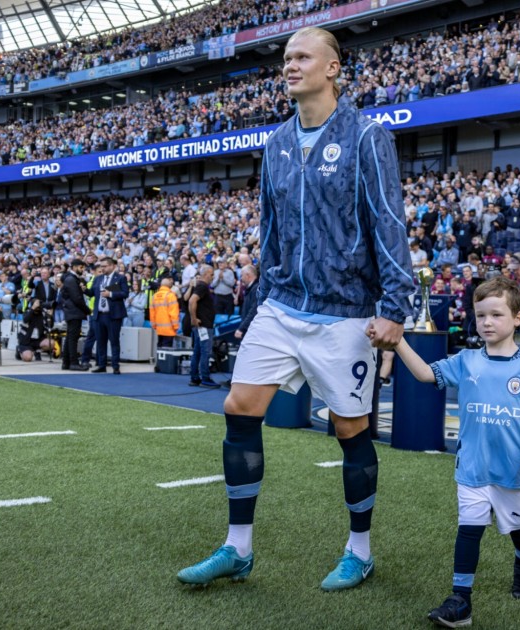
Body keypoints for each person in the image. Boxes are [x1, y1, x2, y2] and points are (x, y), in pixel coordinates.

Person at [177, 27, 415, 591]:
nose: (289, 66)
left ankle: (360, 551)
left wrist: (396, 305)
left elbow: (389, 222)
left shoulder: (366, 137)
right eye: (286, 58)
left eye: (302, 57)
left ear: (332, 68)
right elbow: (270, 230)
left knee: (349, 428)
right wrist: (262, 294)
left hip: (346, 311)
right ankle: (238, 547)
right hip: (281, 304)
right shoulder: (276, 142)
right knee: (239, 407)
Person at [393, 276, 520, 627]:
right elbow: (423, 374)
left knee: (518, 524)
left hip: (512, 468)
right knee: (470, 526)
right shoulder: (465, 360)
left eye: (496, 315)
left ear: (517, 318)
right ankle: (460, 600)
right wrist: (399, 340)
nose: (487, 322)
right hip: (472, 466)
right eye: (481, 316)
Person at [86, 258, 128, 374]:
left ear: (111, 266)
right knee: (100, 341)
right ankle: (101, 364)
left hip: (113, 315)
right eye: (101, 266)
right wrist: (84, 289)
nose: (102, 268)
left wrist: (110, 294)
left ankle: (115, 365)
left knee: (114, 341)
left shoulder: (120, 278)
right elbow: (92, 293)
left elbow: (125, 293)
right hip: (99, 315)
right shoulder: (98, 278)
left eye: (104, 266)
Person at [186, 264, 219, 388]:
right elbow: (192, 301)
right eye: (211, 275)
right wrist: (194, 318)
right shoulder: (202, 286)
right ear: (205, 274)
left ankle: (195, 377)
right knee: (205, 351)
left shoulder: (201, 286)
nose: (213, 277)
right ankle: (205, 378)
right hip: (203, 324)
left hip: (201, 324)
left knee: (198, 351)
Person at [59, 259, 90, 371]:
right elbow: (77, 298)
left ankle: (66, 362)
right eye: (81, 268)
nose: (83, 270)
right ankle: (73, 362)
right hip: (74, 312)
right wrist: (87, 310)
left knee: (70, 338)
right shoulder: (71, 279)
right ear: (75, 267)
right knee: (73, 338)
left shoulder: (71, 279)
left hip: (72, 311)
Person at [149, 278, 180, 348]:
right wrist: (176, 327)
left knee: (160, 350)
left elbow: (152, 314)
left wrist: (154, 326)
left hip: (159, 329)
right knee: (167, 352)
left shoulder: (154, 296)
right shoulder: (171, 296)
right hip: (169, 330)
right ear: (170, 286)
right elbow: (174, 314)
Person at [233, 264, 259, 340]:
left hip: (251, 330)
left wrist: (242, 328)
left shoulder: (255, 289)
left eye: (242, 276)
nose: (241, 279)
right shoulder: (251, 288)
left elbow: (253, 311)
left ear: (248, 275)